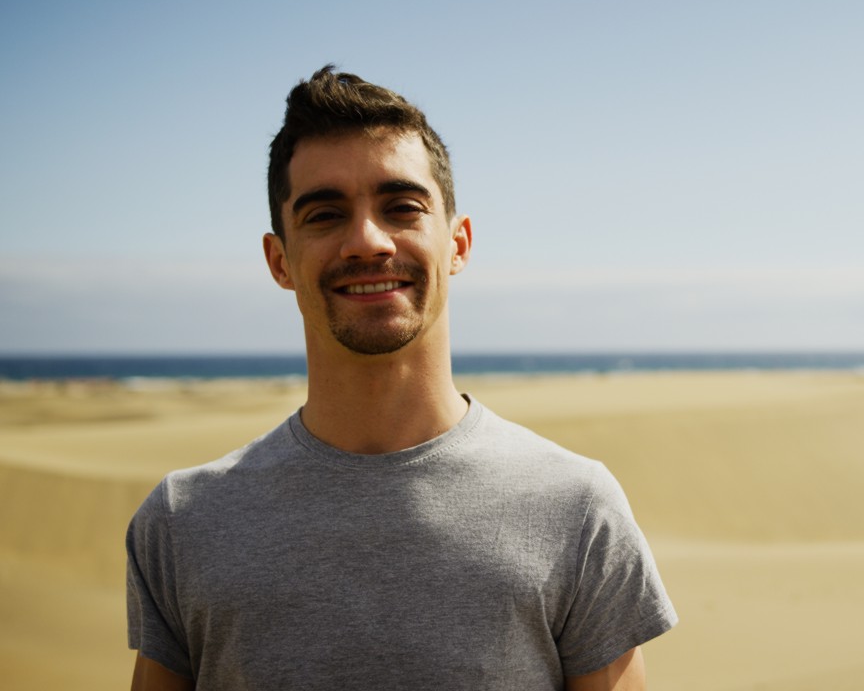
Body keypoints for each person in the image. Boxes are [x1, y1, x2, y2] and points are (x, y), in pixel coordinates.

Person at [126, 66, 677, 691]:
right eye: (325, 215)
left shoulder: (577, 509)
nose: (366, 240)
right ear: (279, 260)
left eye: (402, 208)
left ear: (458, 243)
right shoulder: (184, 520)